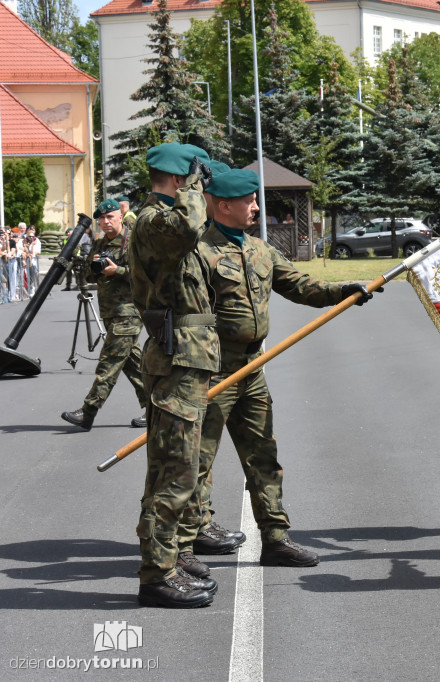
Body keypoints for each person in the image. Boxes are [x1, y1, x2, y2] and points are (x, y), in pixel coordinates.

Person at [174, 168, 374, 572]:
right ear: (223, 205)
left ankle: (276, 538)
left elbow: (301, 285)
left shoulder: (260, 250)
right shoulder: (198, 253)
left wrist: (345, 290)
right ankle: (181, 548)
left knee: (264, 456)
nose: (256, 207)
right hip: (211, 371)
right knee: (194, 463)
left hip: (252, 368)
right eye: (249, 201)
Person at [128, 141, 219, 608]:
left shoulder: (164, 222)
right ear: (179, 179)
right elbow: (187, 226)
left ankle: (168, 558)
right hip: (176, 359)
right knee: (175, 473)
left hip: (189, 358)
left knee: (174, 467)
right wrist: (196, 185)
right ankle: (156, 575)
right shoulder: (154, 221)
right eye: (192, 178)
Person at [60, 199, 148, 431]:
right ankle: (157, 408)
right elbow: (89, 278)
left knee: (108, 363)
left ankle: (88, 411)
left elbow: (147, 275)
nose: (105, 222)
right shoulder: (99, 245)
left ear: (120, 216)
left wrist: (116, 270)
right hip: (109, 313)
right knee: (133, 364)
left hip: (129, 312)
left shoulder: (134, 242)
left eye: (110, 217)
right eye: (101, 218)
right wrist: (92, 265)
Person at [24, 226, 40, 297]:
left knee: (34, 274)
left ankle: (35, 288)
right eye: (30, 230)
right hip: (26, 260)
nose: (31, 232)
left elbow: (37, 251)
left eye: (33, 230)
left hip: (33, 260)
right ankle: (29, 289)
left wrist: (32, 254)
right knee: (27, 275)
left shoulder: (37, 240)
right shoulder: (24, 239)